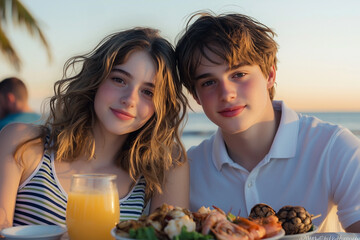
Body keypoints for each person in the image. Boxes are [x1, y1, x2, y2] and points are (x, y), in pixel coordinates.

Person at [175, 12, 360, 232]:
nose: (226, 94)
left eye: (239, 74)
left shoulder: (333, 146)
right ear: (195, 96)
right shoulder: (187, 171)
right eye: (208, 82)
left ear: (270, 74)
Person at [0, 27, 189, 230]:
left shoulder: (164, 167)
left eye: (148, 92)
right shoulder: (22, 143)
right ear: (96, 79)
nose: (130, 100)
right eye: (119, 79)